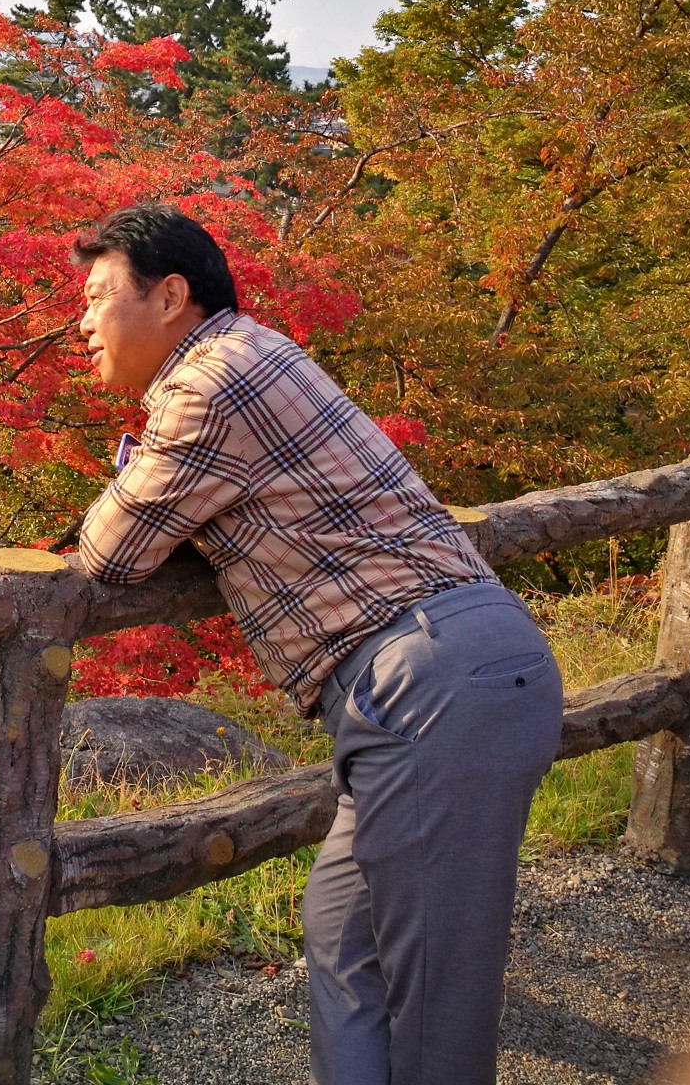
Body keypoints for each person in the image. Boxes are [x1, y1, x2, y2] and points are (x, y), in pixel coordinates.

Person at [69, 202, 563, 1085]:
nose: (81, 322)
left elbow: (110, 554)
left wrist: (127, 471)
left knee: (436, 997)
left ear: (170, 296)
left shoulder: (207, 384)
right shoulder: (260, 354)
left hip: (425, 685)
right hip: (459, 663)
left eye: (99, 295)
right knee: (344, 933)